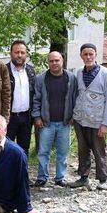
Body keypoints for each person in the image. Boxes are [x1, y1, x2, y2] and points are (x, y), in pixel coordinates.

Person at [68, 43, 107, 189]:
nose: (88, 57)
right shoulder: (79, 73)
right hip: (81, 119)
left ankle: (103, 179)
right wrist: (73, 115)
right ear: (81, 56)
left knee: (98, 149)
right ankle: (83, 177)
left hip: (97, 121)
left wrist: (105, 123)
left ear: (95, 55)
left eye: (91, 54)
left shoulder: (105, 74)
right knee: (82, 149)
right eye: (85, 54)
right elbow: (76, 95)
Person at [32, 51, 78, 187]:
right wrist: (37, 117)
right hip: (46, 123)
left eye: (57, 60)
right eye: (51, 61)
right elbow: (36, 99)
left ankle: (60, 177)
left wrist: (74, 116)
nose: (54, 63)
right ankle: (42, 177)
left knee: (63, 152)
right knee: (43, 152)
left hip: (65, 122)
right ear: (48, 62)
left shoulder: (71, 78)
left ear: (62, 61)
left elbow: (75, 98)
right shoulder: (41, 79)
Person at [6, 40, 36, 155]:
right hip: (9, 118)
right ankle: (8, 173)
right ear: (11, 53)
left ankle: (22, 172)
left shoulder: (30, 70)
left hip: (26, 118)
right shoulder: (4, 70)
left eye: (22, 52)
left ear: (26, 54)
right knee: (6, 150)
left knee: (24, 149)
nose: (19, 55)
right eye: (16, 52)